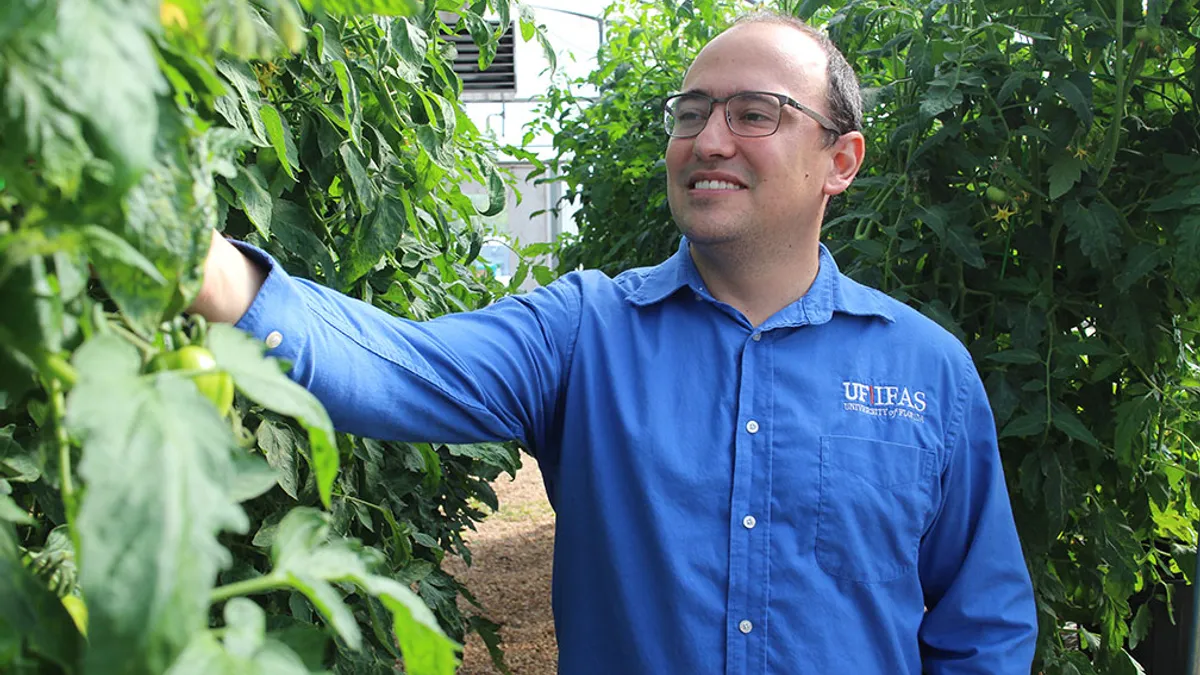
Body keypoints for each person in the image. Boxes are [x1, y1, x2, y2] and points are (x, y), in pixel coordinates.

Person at [191, 10, 1038, 674]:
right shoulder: (585, 332)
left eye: (755, 113)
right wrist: (202, 264)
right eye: (692, 112)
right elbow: (398, 366)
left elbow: (983, 624)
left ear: (841, 160)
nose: (708, 140)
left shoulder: (926, 370)